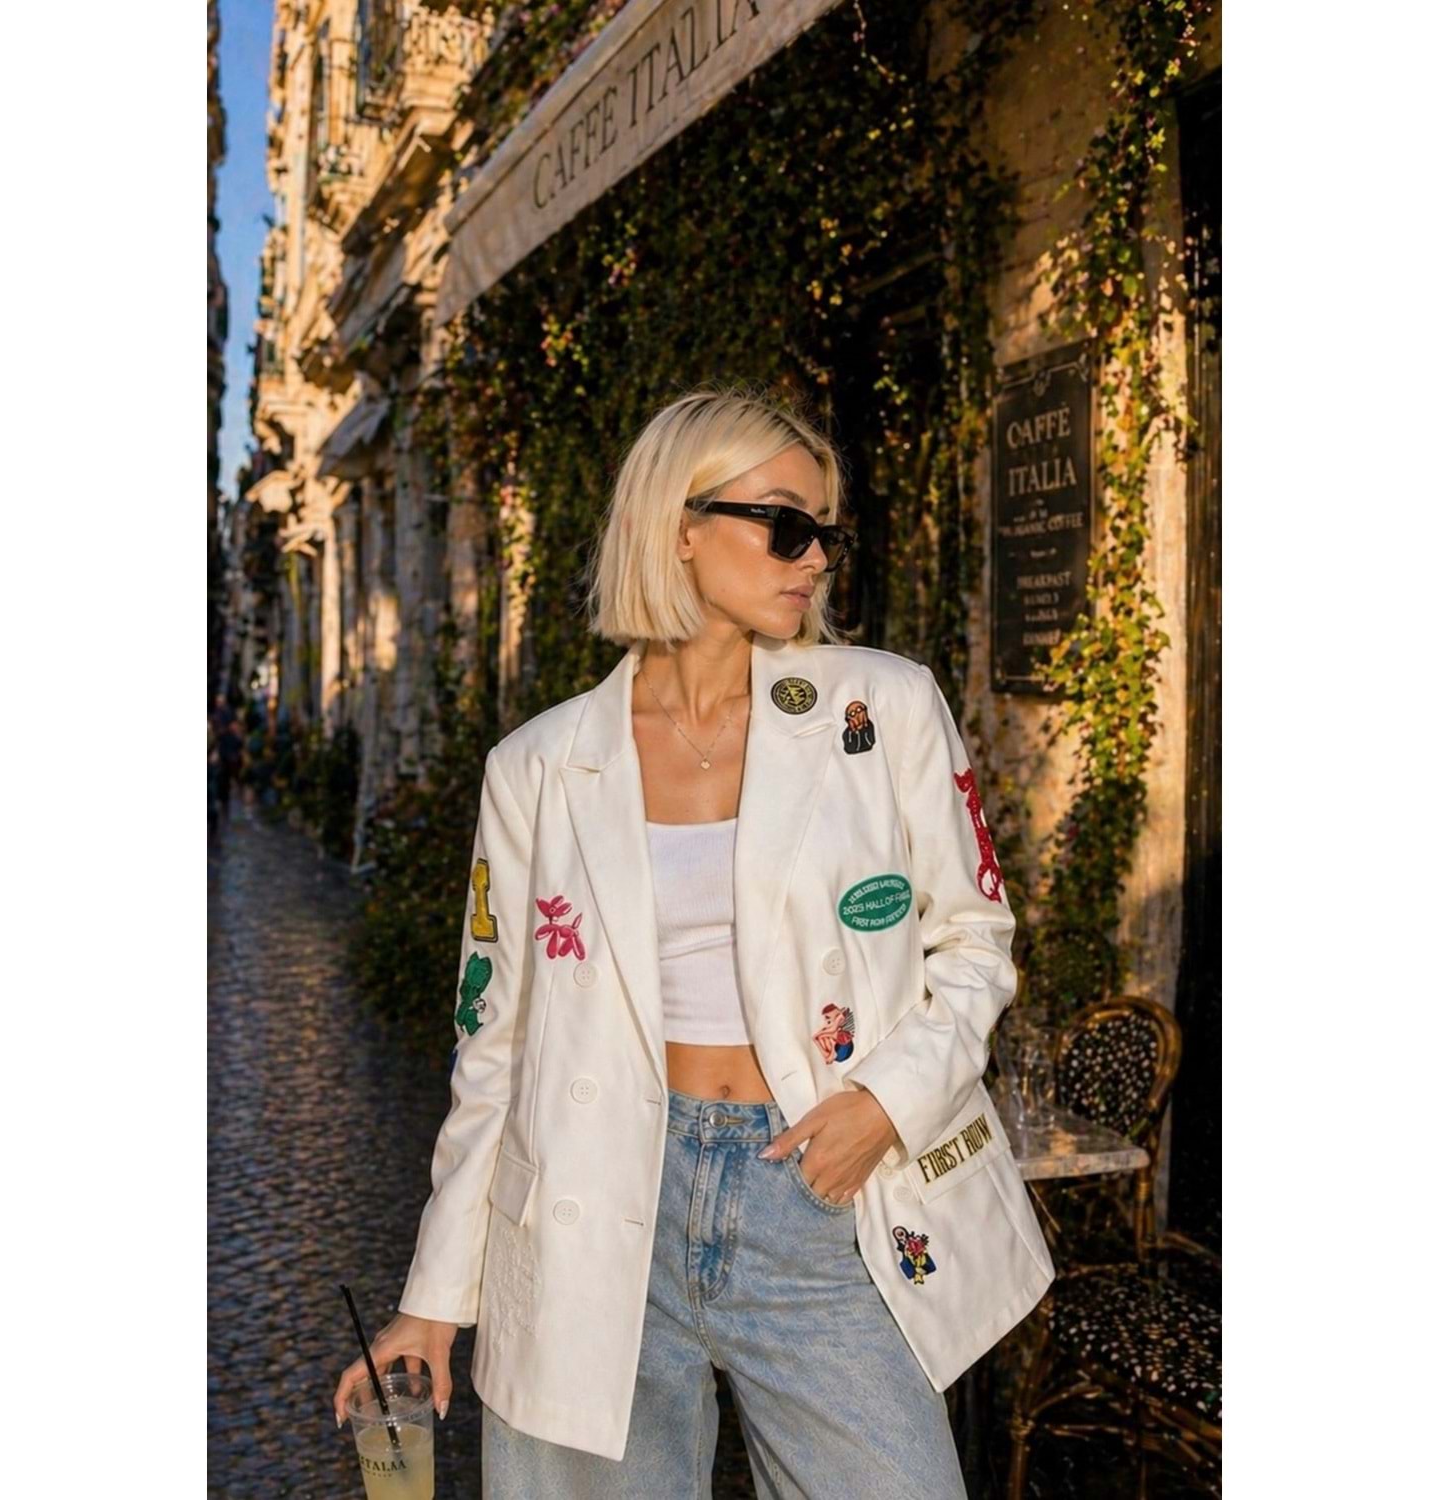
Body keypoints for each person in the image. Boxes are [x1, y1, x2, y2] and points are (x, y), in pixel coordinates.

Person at [332, 385, 1054, 1495]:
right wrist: (433, 1298)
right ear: (679, 526)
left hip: (816, 1190)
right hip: (590, 1208)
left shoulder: (883, 710)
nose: (815, 557)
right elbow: (496, 1047)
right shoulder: (537, 768)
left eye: (825, 531)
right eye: (785, 525)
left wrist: (885, 1103)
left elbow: (975, 936)